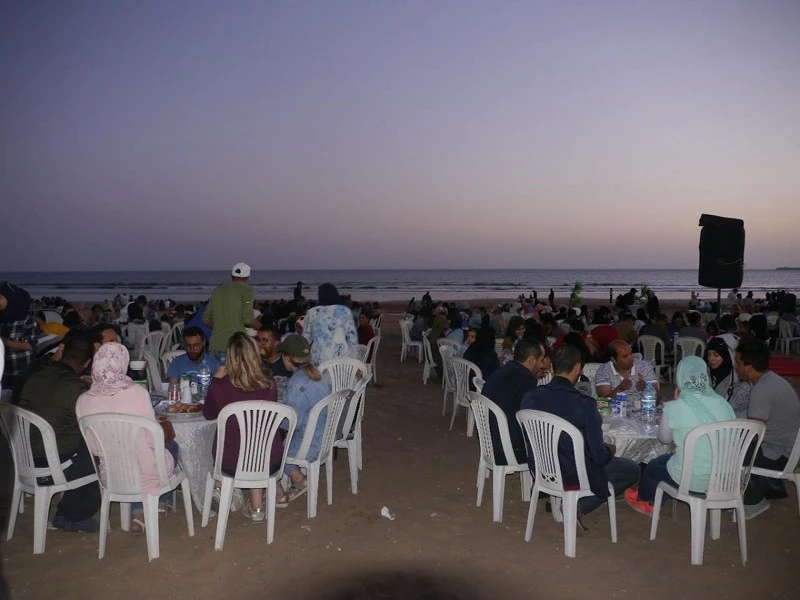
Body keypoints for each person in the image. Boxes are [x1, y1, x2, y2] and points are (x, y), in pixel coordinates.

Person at [521, 345, 640, 530]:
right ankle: (581, 504)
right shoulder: (584, 404)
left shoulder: (529, 396)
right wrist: (610, 450)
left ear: (552, 366)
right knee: (632, 469)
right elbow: (599, 457)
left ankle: (565, 500)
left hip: (541, 468)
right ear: (577, 368)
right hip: (573, 474)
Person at [76, 343, 179, 534]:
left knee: (134, 458)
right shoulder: (137, 393)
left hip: (112, 475)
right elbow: (151, 441)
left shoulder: (83, 399)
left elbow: (94, 448)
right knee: (170, 446)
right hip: (147, 472)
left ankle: (143, 509)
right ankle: (155, 504)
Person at [624, 356, 737, 516]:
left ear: (680, 377)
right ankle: (655, 498)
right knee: (669, 460)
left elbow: (664, 439)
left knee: (654, 466)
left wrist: (677, 402)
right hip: (725, 476)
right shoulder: (722, 402)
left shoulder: (675, 407)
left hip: (695, 480)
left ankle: (645, 500)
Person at [16, 334, 100, 532]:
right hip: (51, 466)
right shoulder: (75, 388)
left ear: (62, 352)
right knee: (98, 448)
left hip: (23, 460)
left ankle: (68, 511)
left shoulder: (35, 376)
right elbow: (91, 426)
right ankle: (73, 515)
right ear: (87, 362)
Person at [203, 332, 288, 521]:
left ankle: (219, 487)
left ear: (230, 358)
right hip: (269, 460)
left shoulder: (221, 385)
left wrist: (215, 381)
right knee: (255, 440)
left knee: (234, 440)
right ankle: (257, 507)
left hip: (232, 463)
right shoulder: (269, 382)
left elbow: (208, 414)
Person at [735, 339, 800, 519]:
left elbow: (753, 435)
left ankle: (753, 502)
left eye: (738, 362)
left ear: (749, 367)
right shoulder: (772, 380)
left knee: (732, 450)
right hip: (787, 449)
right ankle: (769, 487)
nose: (735, 366)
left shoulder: (761, 389)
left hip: (779, 455)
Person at [276, 334, 333, 500]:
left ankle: (299, 480)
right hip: (325, 435)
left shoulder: (297, 383)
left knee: (273, 451)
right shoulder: (319, 375)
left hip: (310, 442)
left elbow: (290, 423)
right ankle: (297, 481)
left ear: (287, 358)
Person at [481, 339, 544, 465]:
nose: (542, 365)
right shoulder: (524, 380)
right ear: (532, 360)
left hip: (489, 443)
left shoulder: (505, 370)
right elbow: (535, 416)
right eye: (541, 360)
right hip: (507, 450)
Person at [203, 263, 257, 362]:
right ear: (247, 277)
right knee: (235, 377)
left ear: (231, 276)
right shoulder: (247, 290)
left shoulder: (217, 291)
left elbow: (206, 320)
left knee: (216, 377)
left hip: (215, 344)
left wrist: (221, 327)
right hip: (235, 346)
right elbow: (248, 319)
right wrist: (263, 328)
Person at [301, 283, 359, 365]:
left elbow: (305, 340)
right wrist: (355, 363)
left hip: (318, 359)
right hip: (341, 358)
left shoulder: (312, 312)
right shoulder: (345, 311)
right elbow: (352, 339)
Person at [0, 282, 38, 390]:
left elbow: (31, 345)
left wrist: (4, 342)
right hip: (3, 371)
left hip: (21, 371)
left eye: (1, 298)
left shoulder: (26, 318)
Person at [594, 340, 659, 403]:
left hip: (643, 410)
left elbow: (658, 398)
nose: (630, 358)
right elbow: (603, 402)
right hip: (616, 412)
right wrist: (619, 389)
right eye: (625, 356)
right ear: (613, 359)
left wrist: (647, 387)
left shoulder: (644, 367)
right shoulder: (604, 371)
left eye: (631, 353)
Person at [705, 337, 750, 417]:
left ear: (725, 357)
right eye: (709, 355)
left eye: (716, 355)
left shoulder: (737, 379)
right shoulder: (705, 374)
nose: (711, 359)